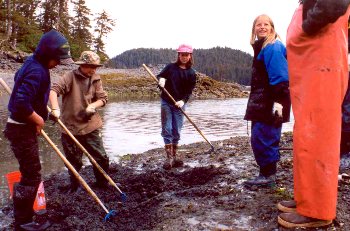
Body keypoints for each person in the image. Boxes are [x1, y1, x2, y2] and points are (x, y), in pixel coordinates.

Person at [277, 0, 350, 228]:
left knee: (319, 133)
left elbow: (336, 2)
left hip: (322, 56)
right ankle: (306, 200)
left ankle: (318, 210)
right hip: (313, 58)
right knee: (306, 131)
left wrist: (306, 28)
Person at [3, 29, 73, 231]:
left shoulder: (33, 63)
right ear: (46, 55)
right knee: (32, 175)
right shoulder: (36, 70)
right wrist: (38, 119)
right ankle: (23, 221)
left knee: (29, 173)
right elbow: (20, 103)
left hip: (21, 127)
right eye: (57, 59)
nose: (59, 63)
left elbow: (21, 82)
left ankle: (23, 215)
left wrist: (43, 113)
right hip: (20, 129)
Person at [49, 51, 110, 191]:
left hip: (91, 126)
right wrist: (55, 109)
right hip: (70, 127)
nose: (93, 70)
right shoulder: (70, 77)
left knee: (101, 157)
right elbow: (53, 91)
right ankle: (74, 185)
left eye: (95, 67)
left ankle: (102, 183)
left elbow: (103, 98)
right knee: (73, 161)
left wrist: (93, 106)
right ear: (82, 65)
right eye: (89, 66)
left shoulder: (96, 78)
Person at [243, 14, 291, 187]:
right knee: (259, 137)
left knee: (265, 137)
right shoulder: (262, 48)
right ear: (254, 29)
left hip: (272, 102)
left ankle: (268, 176)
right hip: (262, 102)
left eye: (266, 24)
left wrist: (278, 103)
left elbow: (280, 76)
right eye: (258, 25)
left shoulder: (273, 47)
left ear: (272, 27)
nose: (262, 27)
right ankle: (266, 173)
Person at [156, 44, 197, 170]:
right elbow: (160, 76)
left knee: (176, 131)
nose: (184, 57)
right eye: (182, 55)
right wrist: (161, 80)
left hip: (179, 105)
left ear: (190, 56)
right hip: (167, 102)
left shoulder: (191, 73)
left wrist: (183, 101)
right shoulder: (170, 67)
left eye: (186, 55)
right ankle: (169, 159)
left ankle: (174, 156)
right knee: (167, 128)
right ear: (178, 55)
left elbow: (189, 92)